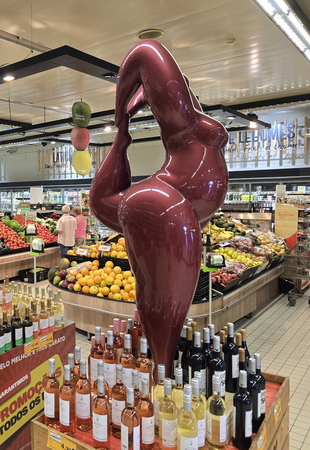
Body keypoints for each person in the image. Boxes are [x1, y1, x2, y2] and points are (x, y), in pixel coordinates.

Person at [89, 39, 229, 376]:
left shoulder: (187, 117)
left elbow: (146, 61)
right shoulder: (182, 120)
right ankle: (161, 371)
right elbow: (145, 54)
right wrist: (120, 117)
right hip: (160, 204)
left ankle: (161, 369)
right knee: (163, 297)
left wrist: (126, 112)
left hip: (171, 201)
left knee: (162, 293)